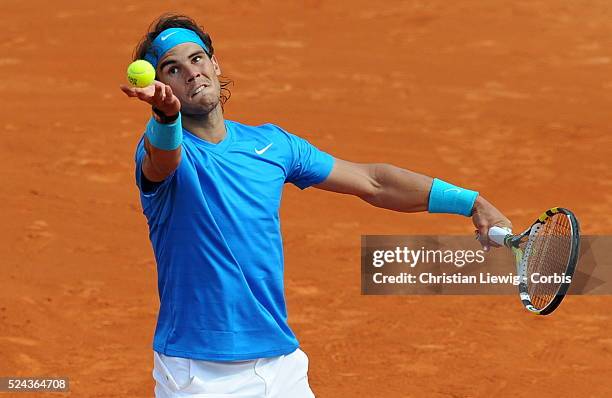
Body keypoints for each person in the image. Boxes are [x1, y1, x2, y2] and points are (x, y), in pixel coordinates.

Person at [120, 14, 511, 398]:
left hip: (279, 361)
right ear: (158, 84)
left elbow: (373, 182)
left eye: (197, 58)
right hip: (199, 373)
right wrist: (165, 115)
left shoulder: (273, 145)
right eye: (172, 68)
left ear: (215, 63)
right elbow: (163, 157)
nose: (191, 73)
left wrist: (471, 202)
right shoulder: (162, 151)